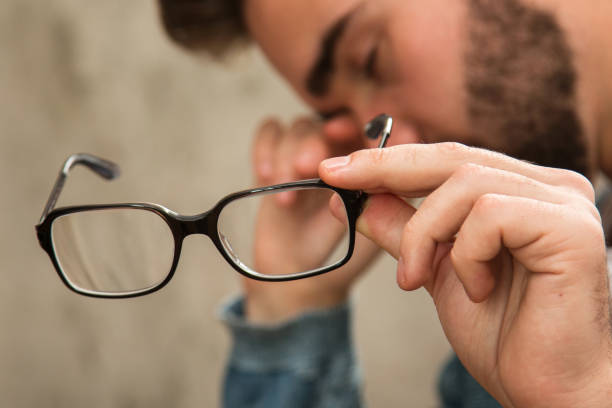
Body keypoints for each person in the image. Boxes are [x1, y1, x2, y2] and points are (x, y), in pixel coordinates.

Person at [157, 0, 612, 406]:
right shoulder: (531, 318)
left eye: (370, 58)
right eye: (339, 118)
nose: (393, 150)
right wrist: (292, 311)